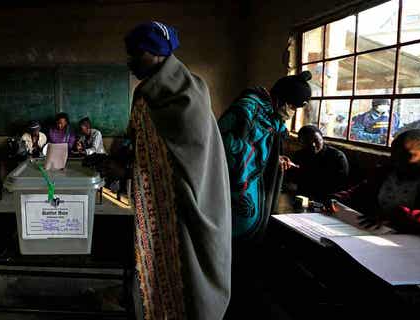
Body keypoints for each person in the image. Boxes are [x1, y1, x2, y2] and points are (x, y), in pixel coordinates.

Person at [119, 21, 231, 319]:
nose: (130, 63)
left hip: (190, 198)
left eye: (135, 55)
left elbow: (194, 154)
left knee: (192, 269)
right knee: (156, 271)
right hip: (158, 203)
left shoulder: (190, 94)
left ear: (153, 53)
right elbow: (141, 143)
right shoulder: (148, 94)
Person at [219, 71, 312, 240]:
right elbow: (224, 144)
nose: (292, 112)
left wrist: (275, 159)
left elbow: (262, 146)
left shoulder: (273, 117)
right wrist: (265, 158)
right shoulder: (248, 109)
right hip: (232, 184)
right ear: (281, 98)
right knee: (230, 231)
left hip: (255, 189)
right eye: (292, 106)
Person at [329, 129, 420, 244]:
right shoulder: (386, 172)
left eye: (405, 155)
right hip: (375, 236)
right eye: (393, 154)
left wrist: (398, 215)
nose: (395, 160)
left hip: (415, 246)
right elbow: (359, 191)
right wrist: (336, 199)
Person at [290, 125, 349, 200]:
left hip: (328, 198)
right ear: (300, 142)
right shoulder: (299, 156)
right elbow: (293, 179)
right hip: (303, 196)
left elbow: (339, 184)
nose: (313, 145)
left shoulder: (337, 157)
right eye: (307, 141)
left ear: (322, 139)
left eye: (316, 140)